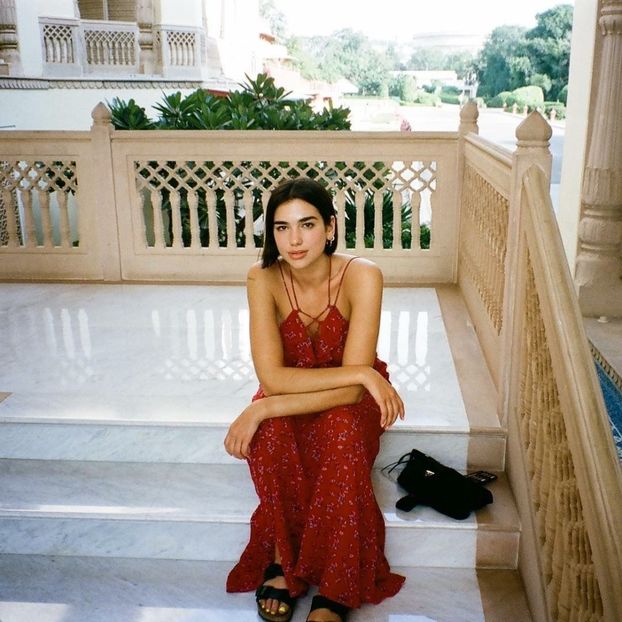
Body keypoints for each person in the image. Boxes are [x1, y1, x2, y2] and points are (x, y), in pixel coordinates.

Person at [224, 177, 405, 622]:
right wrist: (268, 403)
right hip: (293, 389)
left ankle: (338, 587)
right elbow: (273, 376)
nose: (294, 239)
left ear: (330, 227)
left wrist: (262, 404)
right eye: (281, 228)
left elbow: (347, 391)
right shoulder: (261, 277)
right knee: (272, 436)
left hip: (350, 398)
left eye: (306, 225)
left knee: (341, 432)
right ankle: (285, 562)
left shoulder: (363, 275)